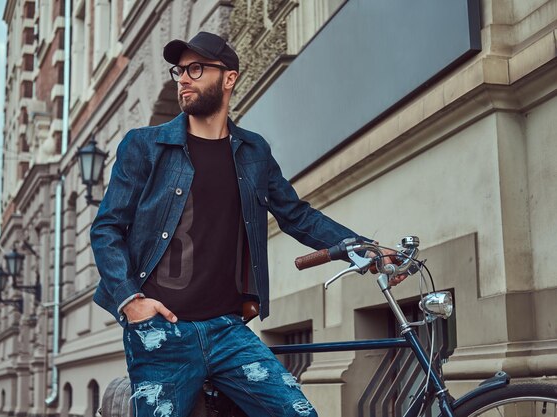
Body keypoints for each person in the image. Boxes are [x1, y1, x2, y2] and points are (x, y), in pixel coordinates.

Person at [91, 31, 403, 417]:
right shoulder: (144, 145)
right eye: (180, 70)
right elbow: (107, 228)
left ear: (229, 78)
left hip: (228, 331)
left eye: (196, 68)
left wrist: (367, 248)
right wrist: (132, 301)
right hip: (162, 334)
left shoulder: (253, 151)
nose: (184, 78)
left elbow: (296, 215)